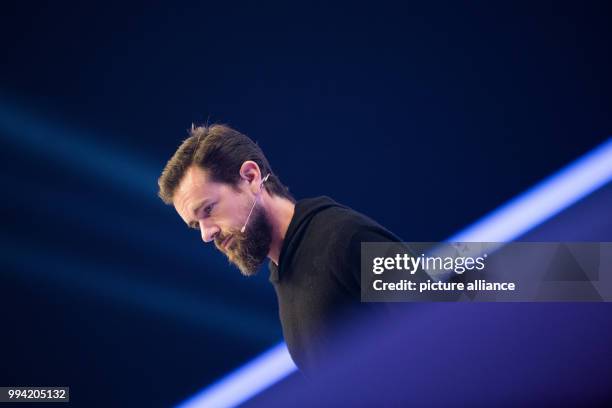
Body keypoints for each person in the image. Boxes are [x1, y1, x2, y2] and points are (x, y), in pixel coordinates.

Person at [157, 124, 400, 373]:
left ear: (251, 177)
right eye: (196, 225)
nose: (207, 234)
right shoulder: (285, 272)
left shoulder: (347, 236)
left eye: (208, 210)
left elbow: (437, 324)